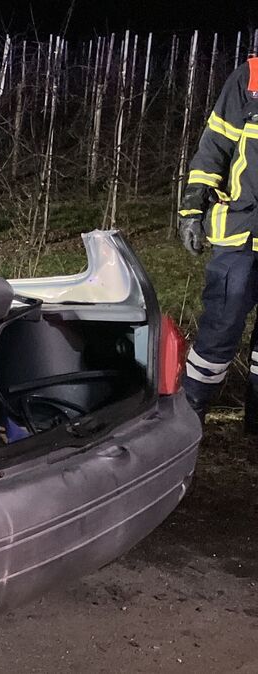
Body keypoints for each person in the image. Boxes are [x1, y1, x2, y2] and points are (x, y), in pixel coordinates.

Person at [179, 55, 258, 431]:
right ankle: (189, 416)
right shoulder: (251, 78)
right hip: (241, 230)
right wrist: (192, 207)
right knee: (221, 327)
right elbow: (214, 146)